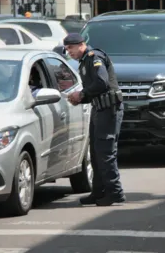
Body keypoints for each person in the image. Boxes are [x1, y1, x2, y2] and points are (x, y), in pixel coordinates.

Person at [64, 33, 125, 206]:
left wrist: (81, 94)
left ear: (81, 44)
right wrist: (79, 98)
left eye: (71, 48)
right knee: (96, 152)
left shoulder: (94, 57)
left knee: (105, 152)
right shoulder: (84, 61)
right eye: (67, 49)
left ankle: (115, 193)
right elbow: (95, 90)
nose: (69, 52)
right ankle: (98, 192)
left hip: (109, 109)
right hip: (99, 108)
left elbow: (102, 82)